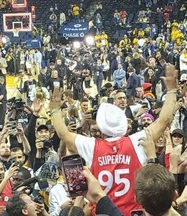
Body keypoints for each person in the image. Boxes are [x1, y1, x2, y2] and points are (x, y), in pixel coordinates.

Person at [48, 64, 178, 215]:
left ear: (101, 127)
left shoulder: (92, 146)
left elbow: (63, 133)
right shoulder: (136, 142)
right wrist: (172, 91)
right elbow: (164, 121)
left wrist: (55, 110)